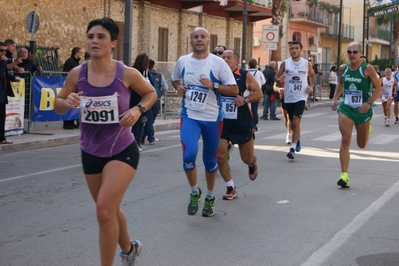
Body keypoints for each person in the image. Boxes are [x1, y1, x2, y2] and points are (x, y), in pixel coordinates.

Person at [54, 17, 157, 266]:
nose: (94, 41)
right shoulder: (77, 74)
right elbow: (58, 105)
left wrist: (137, 110)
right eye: (90, 36)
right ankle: (129, 249)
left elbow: (151, 93)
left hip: (122, 148)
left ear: (113, 43)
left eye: (100, 37)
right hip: (90, 149)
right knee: (109, 209)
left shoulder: (127, 74)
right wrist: (66, 103)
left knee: (103, 209)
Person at [171, 27, 238, 217]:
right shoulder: (183, 61)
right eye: (195, 37)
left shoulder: (218, 63)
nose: (199, 40)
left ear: (208, 40)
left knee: (210, 160)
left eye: (202, 37)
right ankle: (194, 192)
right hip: (190, 116)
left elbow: (234, 90)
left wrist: (214, 85)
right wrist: (180, 88)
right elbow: (175, 79)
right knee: (188, 155)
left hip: (211, 118)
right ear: (190, 41)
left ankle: (209, 197)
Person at [331, 41, 382, 188]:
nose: (352, 55)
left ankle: (367, 128)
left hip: (362, 110)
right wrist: (335, 99)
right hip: (346, 107)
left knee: (361, 144)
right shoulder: (343, 68)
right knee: (345, 139)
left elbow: (378, 88)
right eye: (349, 52)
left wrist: (369, 102)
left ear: (360, 53)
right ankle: (344, 175)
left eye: (355, 52)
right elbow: (341, 84)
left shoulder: (368, 69)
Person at [217, 49, 262, 200]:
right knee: (220, 154)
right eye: (223, 57)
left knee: (247, 158)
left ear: (237, 61)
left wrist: (245, 100)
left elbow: (258, 93)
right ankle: (231, 187)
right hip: (222, 123)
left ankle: (252, 164)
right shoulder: (216, 75)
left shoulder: (244, 75)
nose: (225, 60)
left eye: (229, 57)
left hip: (242, 122)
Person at [275, 41, 316, 160]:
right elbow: (276, 78)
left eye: (296, 48)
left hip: (301, 96)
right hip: (289, 96)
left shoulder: (306, 64)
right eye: (292, 48)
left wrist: (311, 86)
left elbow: (313, 75)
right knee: (291, 121)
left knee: (296, 121)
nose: (294, 50)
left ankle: (292, 148)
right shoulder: (285, 64)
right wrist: (279, 78)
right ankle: (297, 137)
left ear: (301, 50)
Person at [140, 59, 168, 144]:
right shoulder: (159, 75)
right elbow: (165, 87)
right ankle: (150, 138)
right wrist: (159, 95)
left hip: (146, 100)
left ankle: (142, 137)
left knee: (148, 120)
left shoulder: (143, 74)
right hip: (156, 100)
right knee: (150, 120)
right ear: (153, 65)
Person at [130, 53, 152, 151]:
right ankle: (136, 142)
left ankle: (137, 142)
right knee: (140, 122)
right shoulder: (141, 73)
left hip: (135, 99)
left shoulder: (134, 72)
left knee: (139, 122)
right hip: (142, 100)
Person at [0, 41, 20, 144]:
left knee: (2, 117)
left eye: (5, 50)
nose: (3, 53)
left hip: (2, 93)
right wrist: (4, 63)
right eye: (1, 50)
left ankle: (1, 138)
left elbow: (5, 74)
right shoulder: (2, 63)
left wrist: (14, 78)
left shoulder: (2, 62)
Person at [62, 46, 83, 129]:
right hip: (70, 86)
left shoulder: (76, 62)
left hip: (75, 85)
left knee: (74, 104)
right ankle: (67, 123)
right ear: (76, 53)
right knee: (69, 102)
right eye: (80, 52)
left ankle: (72, 121)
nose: (81, 54)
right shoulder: (70, 61)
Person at [247, 58, 266, 131]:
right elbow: (264, 82)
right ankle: (254, 124)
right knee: (254, 109)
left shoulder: (246, 72)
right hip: (256, 94)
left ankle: (248, 123)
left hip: (247, 94)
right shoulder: (259, 73)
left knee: (248, 109)